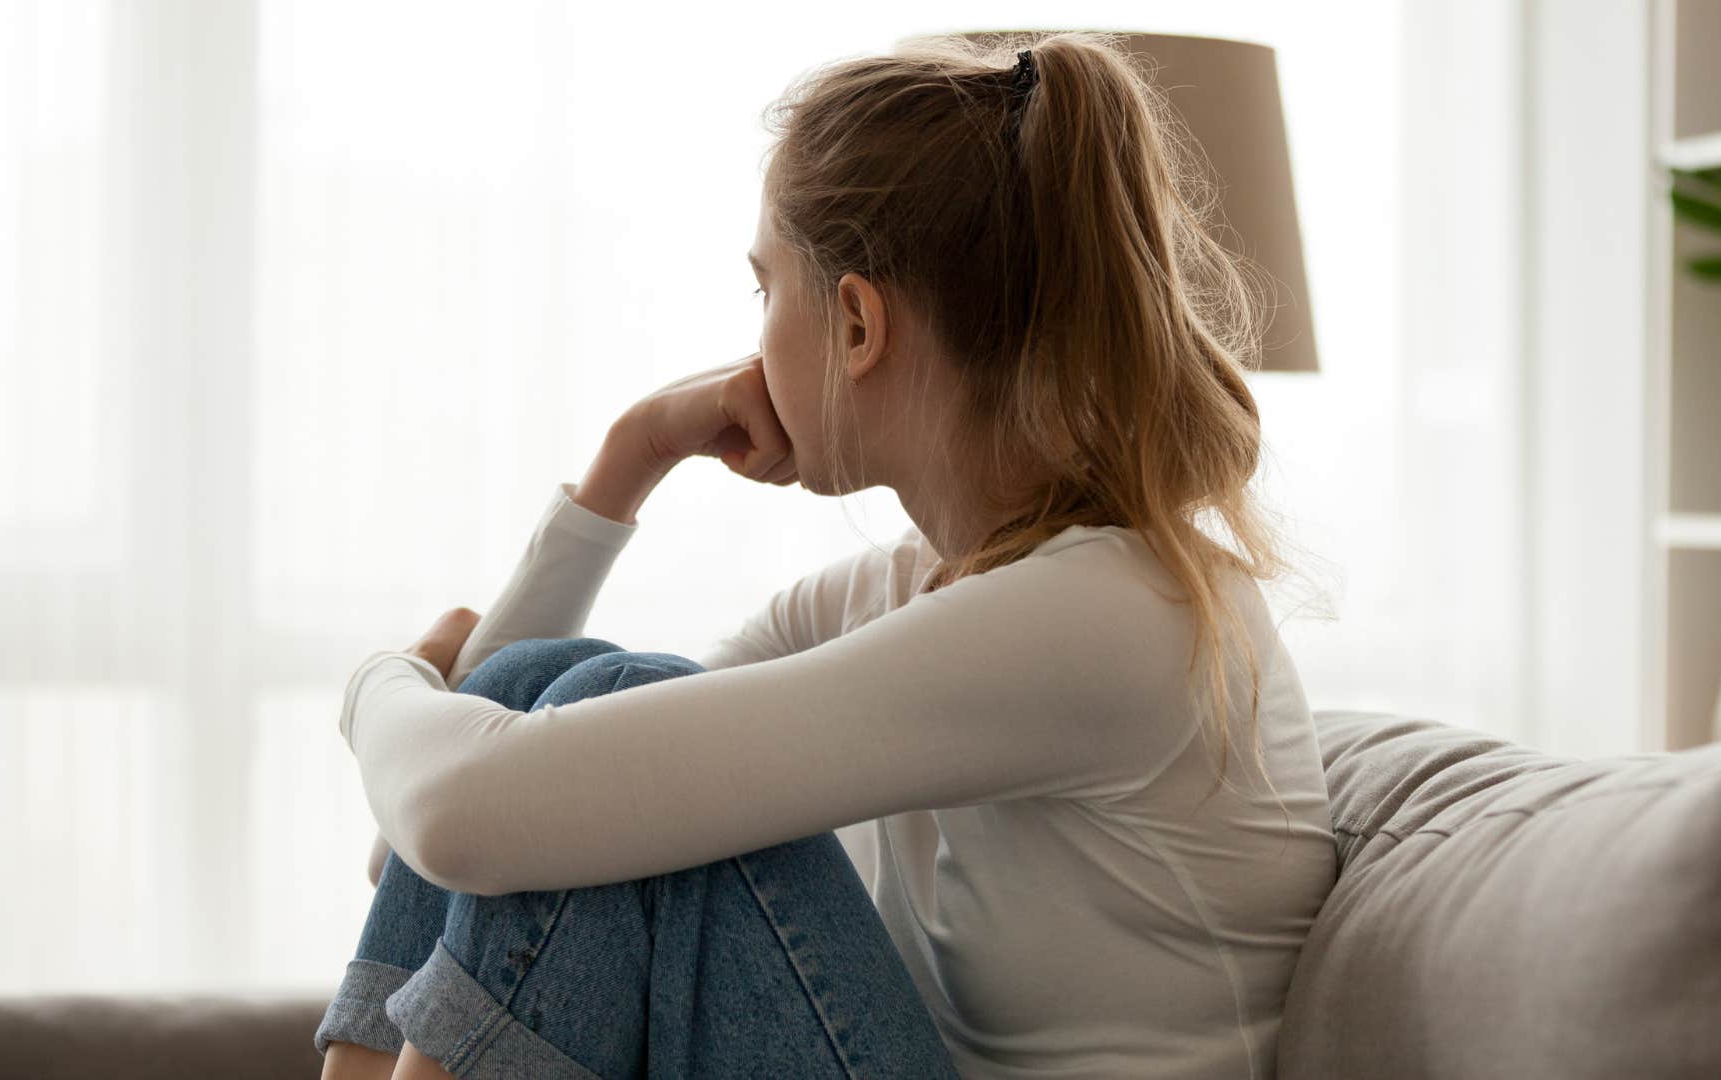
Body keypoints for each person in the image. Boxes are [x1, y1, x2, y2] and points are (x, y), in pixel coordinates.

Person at [317, 31, 1337, 1080]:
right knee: (549, 691)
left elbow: (454, 815)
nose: (754, 342)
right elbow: (467, 834)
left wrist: (377, 685)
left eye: (765, 290)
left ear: (856, 324)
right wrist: (634, 454)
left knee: (601, 699)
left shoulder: (1109, 616)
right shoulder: (916, 588)